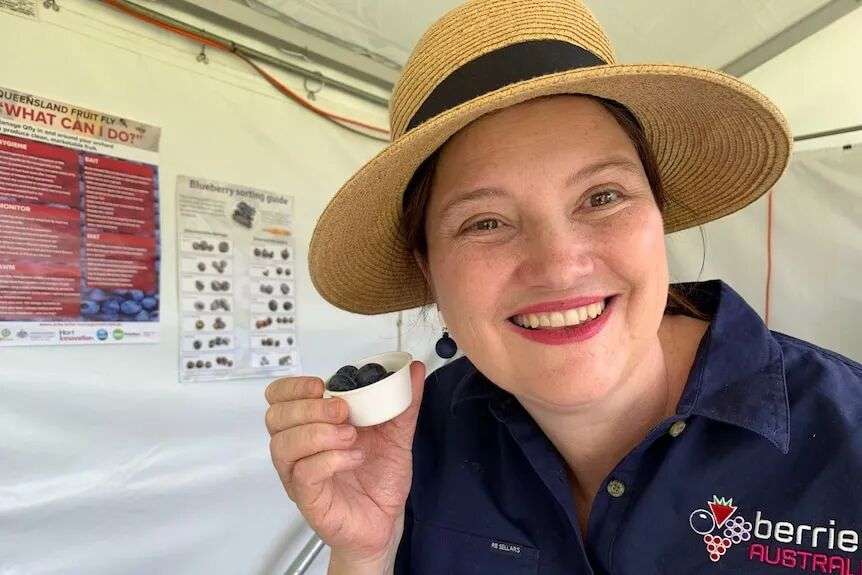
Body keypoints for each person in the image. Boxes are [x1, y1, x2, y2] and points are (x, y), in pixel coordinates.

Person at [264, 1, 862, 573]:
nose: (558, 266)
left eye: (601, 197)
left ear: (658, 214)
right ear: (429, 269)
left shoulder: (848, 440)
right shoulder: (416, 439)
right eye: (486, 222)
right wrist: (366, 553)